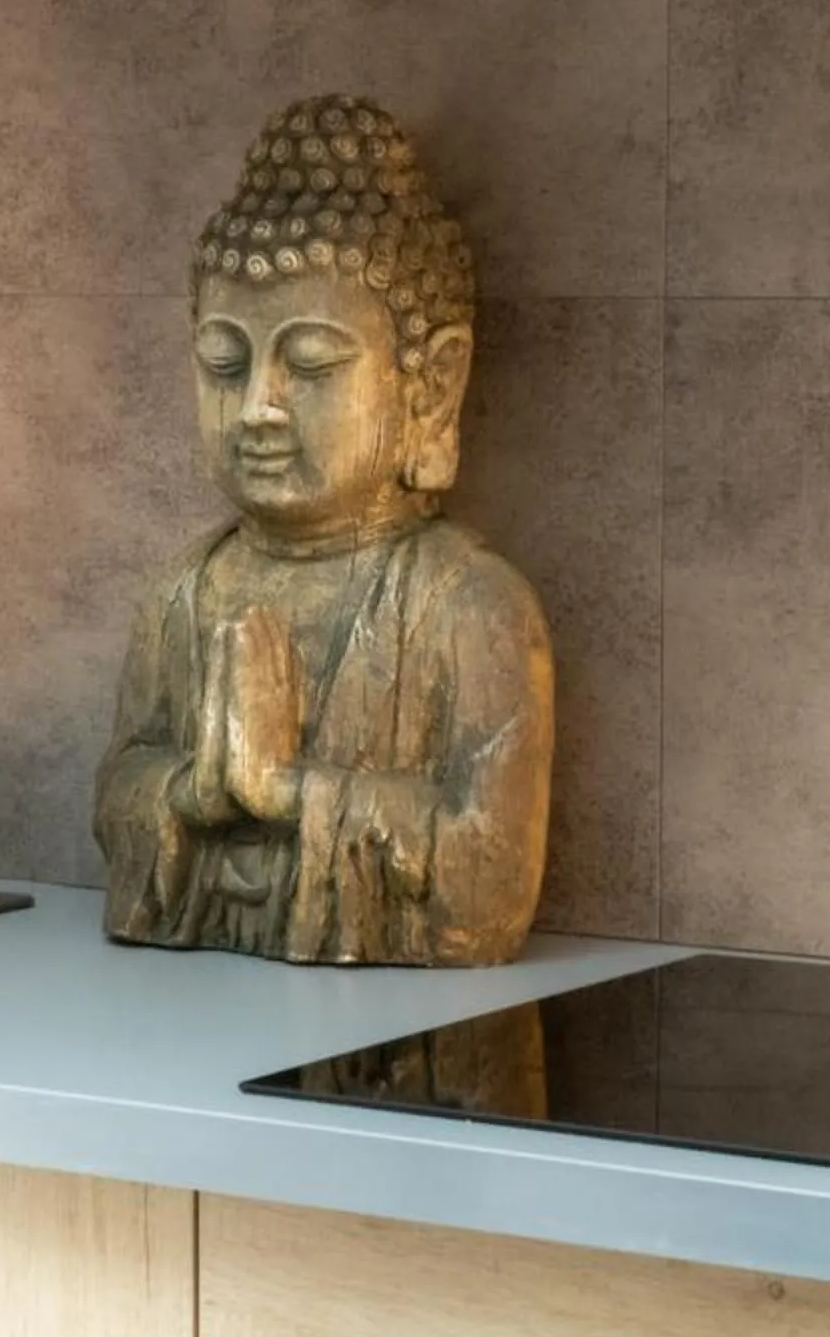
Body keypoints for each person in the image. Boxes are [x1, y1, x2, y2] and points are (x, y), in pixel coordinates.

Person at [94, 95, 554, 966]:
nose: (257, 407)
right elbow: (119, 788)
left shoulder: (470, 606)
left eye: (310, 365)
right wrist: (193, 793)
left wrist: (285, 790)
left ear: (432, 384)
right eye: (224, 363)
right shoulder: (183, 594)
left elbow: (492, 879)